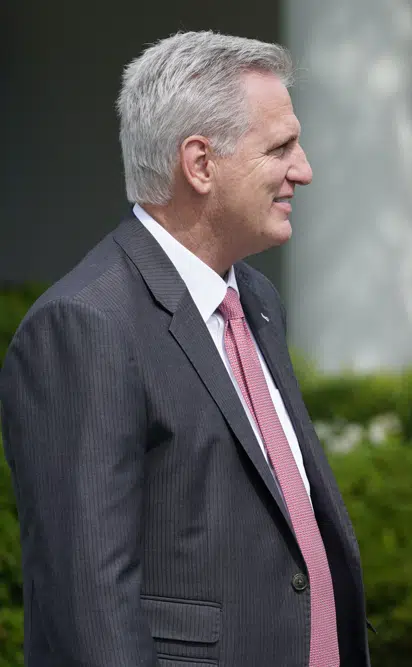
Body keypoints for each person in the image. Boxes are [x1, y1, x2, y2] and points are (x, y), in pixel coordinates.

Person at [0, 31, 371, 666]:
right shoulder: (84, 325)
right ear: (199, 164)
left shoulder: (253, 299)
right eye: (279, 147)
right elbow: (90, 605)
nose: (303, 170)